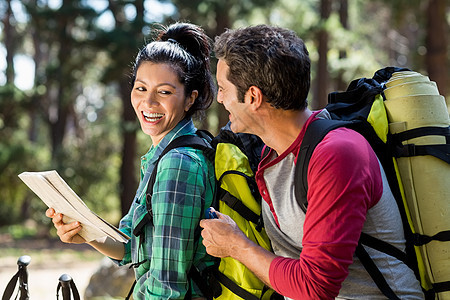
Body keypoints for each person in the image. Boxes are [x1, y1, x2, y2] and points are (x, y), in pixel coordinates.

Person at [200, 24, 424, 299]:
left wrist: (236, 246)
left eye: (223, 88)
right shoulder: (271, 155)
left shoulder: (337, 154)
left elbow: (316, 287)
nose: (219, 98)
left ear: (253, 97)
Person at [46, 22, 216, 299]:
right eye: (140, 88)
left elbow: (166, 289)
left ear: (189, 99)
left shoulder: (178, 164)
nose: (148, 103)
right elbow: (129, 247)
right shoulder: (161, 155)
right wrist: (83, 230)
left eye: (164, 92)